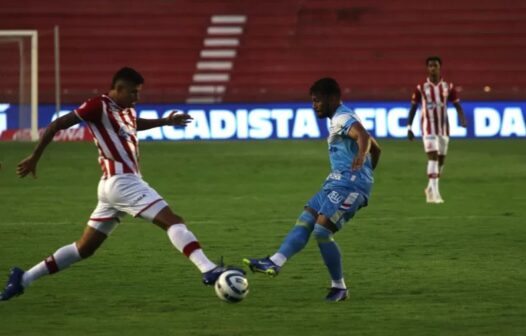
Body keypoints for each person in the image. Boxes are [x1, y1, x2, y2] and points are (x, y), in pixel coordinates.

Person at [0, 67, 241, 301]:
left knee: (84, 249)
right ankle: (208, 269)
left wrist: (165, 122)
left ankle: (24, 278)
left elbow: (134, 125)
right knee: (174, 221)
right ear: (118, 88)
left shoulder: (126, 111)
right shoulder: (98, 105)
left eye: (138, 92)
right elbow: (57, 125)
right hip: (122, 182)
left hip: (111, 188)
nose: (137, 97)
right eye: (133, 92)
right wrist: (34, 157)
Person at [244, 78, 381, 302]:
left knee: (322, 231)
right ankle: (275, 261)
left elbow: (364, 138)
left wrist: (359, 171)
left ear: (332, 98)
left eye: (317, 101)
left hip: (348, 185)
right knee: (306, 219)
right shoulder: (343, 117)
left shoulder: (342, 117)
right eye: (313, 101)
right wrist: (365, 170)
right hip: (335, 182)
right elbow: (377, 149)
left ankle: (339, 287)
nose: (314, 105)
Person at [407, 56, 467, 203]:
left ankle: (429, 188)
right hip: (428, 128)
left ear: (440, 67)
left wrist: (462, 118)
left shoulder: (448, 86)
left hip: (443, 129)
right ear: (427, 68)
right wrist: (409, 127)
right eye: (430, 66)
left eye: (435, 66)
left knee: (440, 161)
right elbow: (414, 107)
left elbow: (457, 103)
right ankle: (435, 194)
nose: (433, 68)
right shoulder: (421, 87)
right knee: (432, 157)